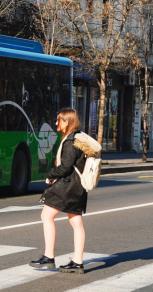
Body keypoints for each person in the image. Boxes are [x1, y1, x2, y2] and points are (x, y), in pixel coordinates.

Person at [30, 108, 101, 274]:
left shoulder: (70, 141)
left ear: (67, 122)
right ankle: (77, 262)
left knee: (46, 216)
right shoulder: (78, 138)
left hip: (68, 186)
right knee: (76, 223)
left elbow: (65, 167)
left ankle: (49, 257)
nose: (56, 123)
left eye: (59, 120)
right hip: (77, 187)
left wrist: (50, 174)